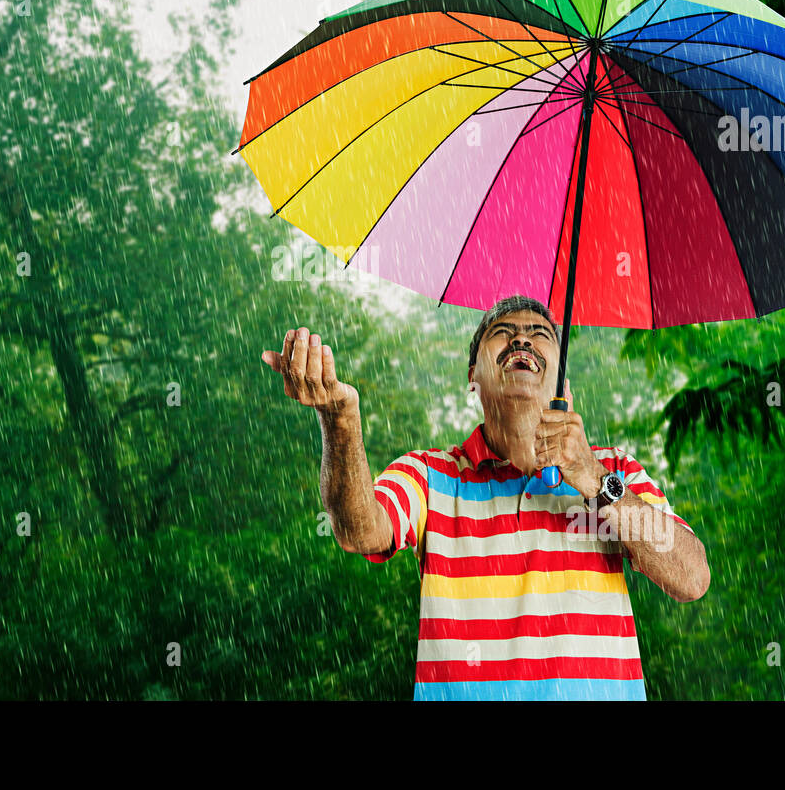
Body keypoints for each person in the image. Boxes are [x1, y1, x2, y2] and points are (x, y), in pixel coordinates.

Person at [260, 294, 709, 700]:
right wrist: (340, 420)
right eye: (502, 333)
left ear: (563, 383)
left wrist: (592, 478)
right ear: (473, 377)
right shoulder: (432, 476)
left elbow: (691, 578)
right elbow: (359, 531)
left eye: (539, 335)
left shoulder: (615, 473)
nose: (522, 341)